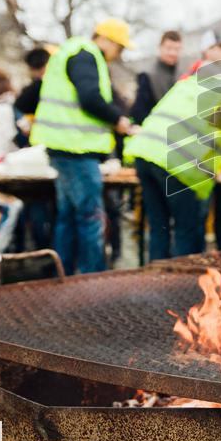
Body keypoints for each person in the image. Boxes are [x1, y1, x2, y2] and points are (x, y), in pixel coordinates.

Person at [30, 19, 136, 274]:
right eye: (119, 48)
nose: (117, 54)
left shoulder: (72, 52)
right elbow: (89, 97)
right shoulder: (85, 55)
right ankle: (92, 279)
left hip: (65, 149)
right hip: (76, 150)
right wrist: (118, 120)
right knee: (90, 217)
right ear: (107, 40)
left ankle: (63, 275)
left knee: (68, 216)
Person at [125, 38, 221, 260]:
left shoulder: (188, 83)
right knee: (188, 230)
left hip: (145, 154)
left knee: (159, 228)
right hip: (176, 162)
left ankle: (156, 282)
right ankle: (182, 285)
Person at [131, 30, 182, 124]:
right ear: (160, 48)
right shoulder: (147, 75)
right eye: (169, 48)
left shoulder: (183, 76)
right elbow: (139, 113)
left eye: (177, 49)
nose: (173, 53)